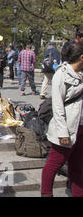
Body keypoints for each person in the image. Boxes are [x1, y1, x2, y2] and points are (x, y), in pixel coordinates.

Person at [41, 42, 83, 197]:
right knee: (54, 163)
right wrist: (63, 132)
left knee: (77, 166)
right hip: (66, 127)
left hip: (81, 127)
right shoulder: (62, 73)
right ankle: (46, 193)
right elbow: (57, 106)